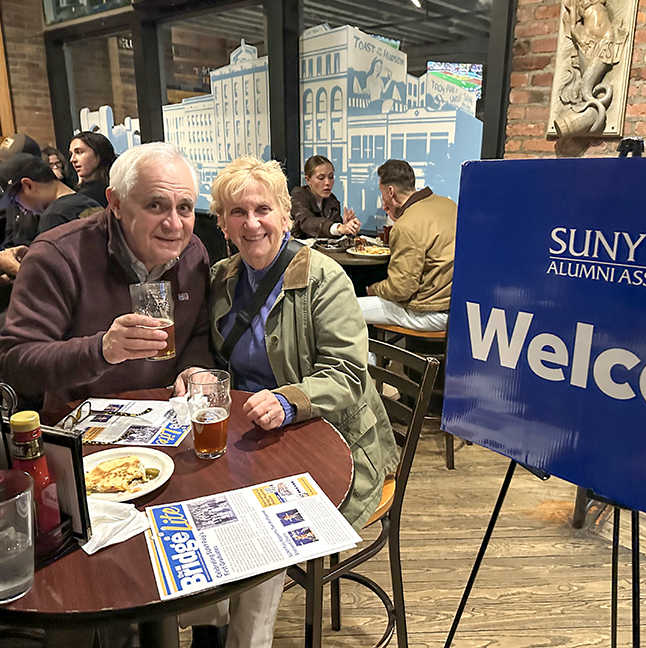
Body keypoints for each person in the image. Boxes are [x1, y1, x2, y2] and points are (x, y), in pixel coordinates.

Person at [175, 156, 399, 648]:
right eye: (237, 212)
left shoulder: (325, 277)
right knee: (197, 495)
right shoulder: (221, 278)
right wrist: (195, 371)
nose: (251, 223)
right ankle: (208, 626)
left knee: (263, 524)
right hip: (250, 437)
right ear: (224, 224)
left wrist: (289, 400)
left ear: (284, 213)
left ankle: (245, 642)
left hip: (329, 439)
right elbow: (208, 352)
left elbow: (348, 372)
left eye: (262, 209)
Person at [0, 142, 212, 408]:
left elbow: (199, 332)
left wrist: (195, 367)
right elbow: (15, 362)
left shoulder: (192, 253)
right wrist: (101, 350)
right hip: (83, 423)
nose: (174, 224)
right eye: (155, 205)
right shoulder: (58, 254)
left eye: (184, 207)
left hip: (168, 416)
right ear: (116, 203)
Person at [358, 159, 456, 332]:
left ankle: (367, 358)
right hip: (456, 308)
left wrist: (372, 289)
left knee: (343, 309)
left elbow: (401, 289)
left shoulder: (407, 226)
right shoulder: (448, 205)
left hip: (429, 313)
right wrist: (401, 216)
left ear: (390, 191)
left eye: (382, 194)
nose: (383, 203)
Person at [0, 153, 102, 278]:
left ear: (28, 185)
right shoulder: (88, 202)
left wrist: (13, 267)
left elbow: (53, 285)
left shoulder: (53, 216)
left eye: (16, 201)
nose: (23, 209)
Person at [290, 155, 360, 238]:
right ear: (308, 180)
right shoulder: (298, 196)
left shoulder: (332, 201)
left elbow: (334, 234)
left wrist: (346, 226)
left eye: (331, 177)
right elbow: (306, 222)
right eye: (321, 178)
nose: (327, 182)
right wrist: (338, 228)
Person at [70, 131, 116, 207]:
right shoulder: (79, 193)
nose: (72, 159)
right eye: (71, 154)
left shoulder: (118, 188)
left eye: (79, 152)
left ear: (99, 154)